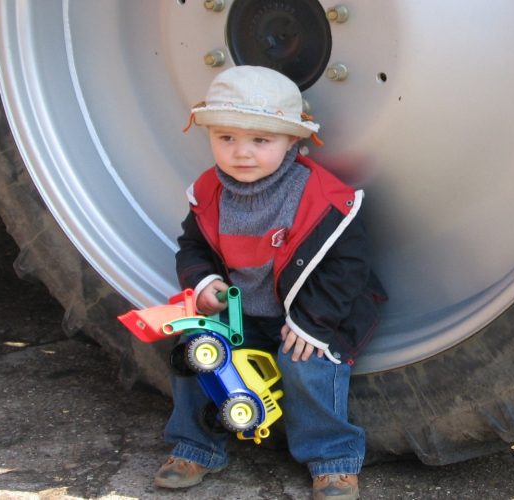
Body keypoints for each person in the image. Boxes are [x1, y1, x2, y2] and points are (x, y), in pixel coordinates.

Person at [155, 65, 386, 500]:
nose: (241, 153)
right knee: (195, 354)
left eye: (260, 140)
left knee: (307, 364)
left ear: (292, 141)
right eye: (226, 138)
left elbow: (348, 267)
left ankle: (333, 460)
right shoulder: (208, 192)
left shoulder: (321, 197)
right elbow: (193, 247)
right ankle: (194, 447)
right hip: (240, 313)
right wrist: (203, 281)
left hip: (310, 312)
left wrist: (313, 323)